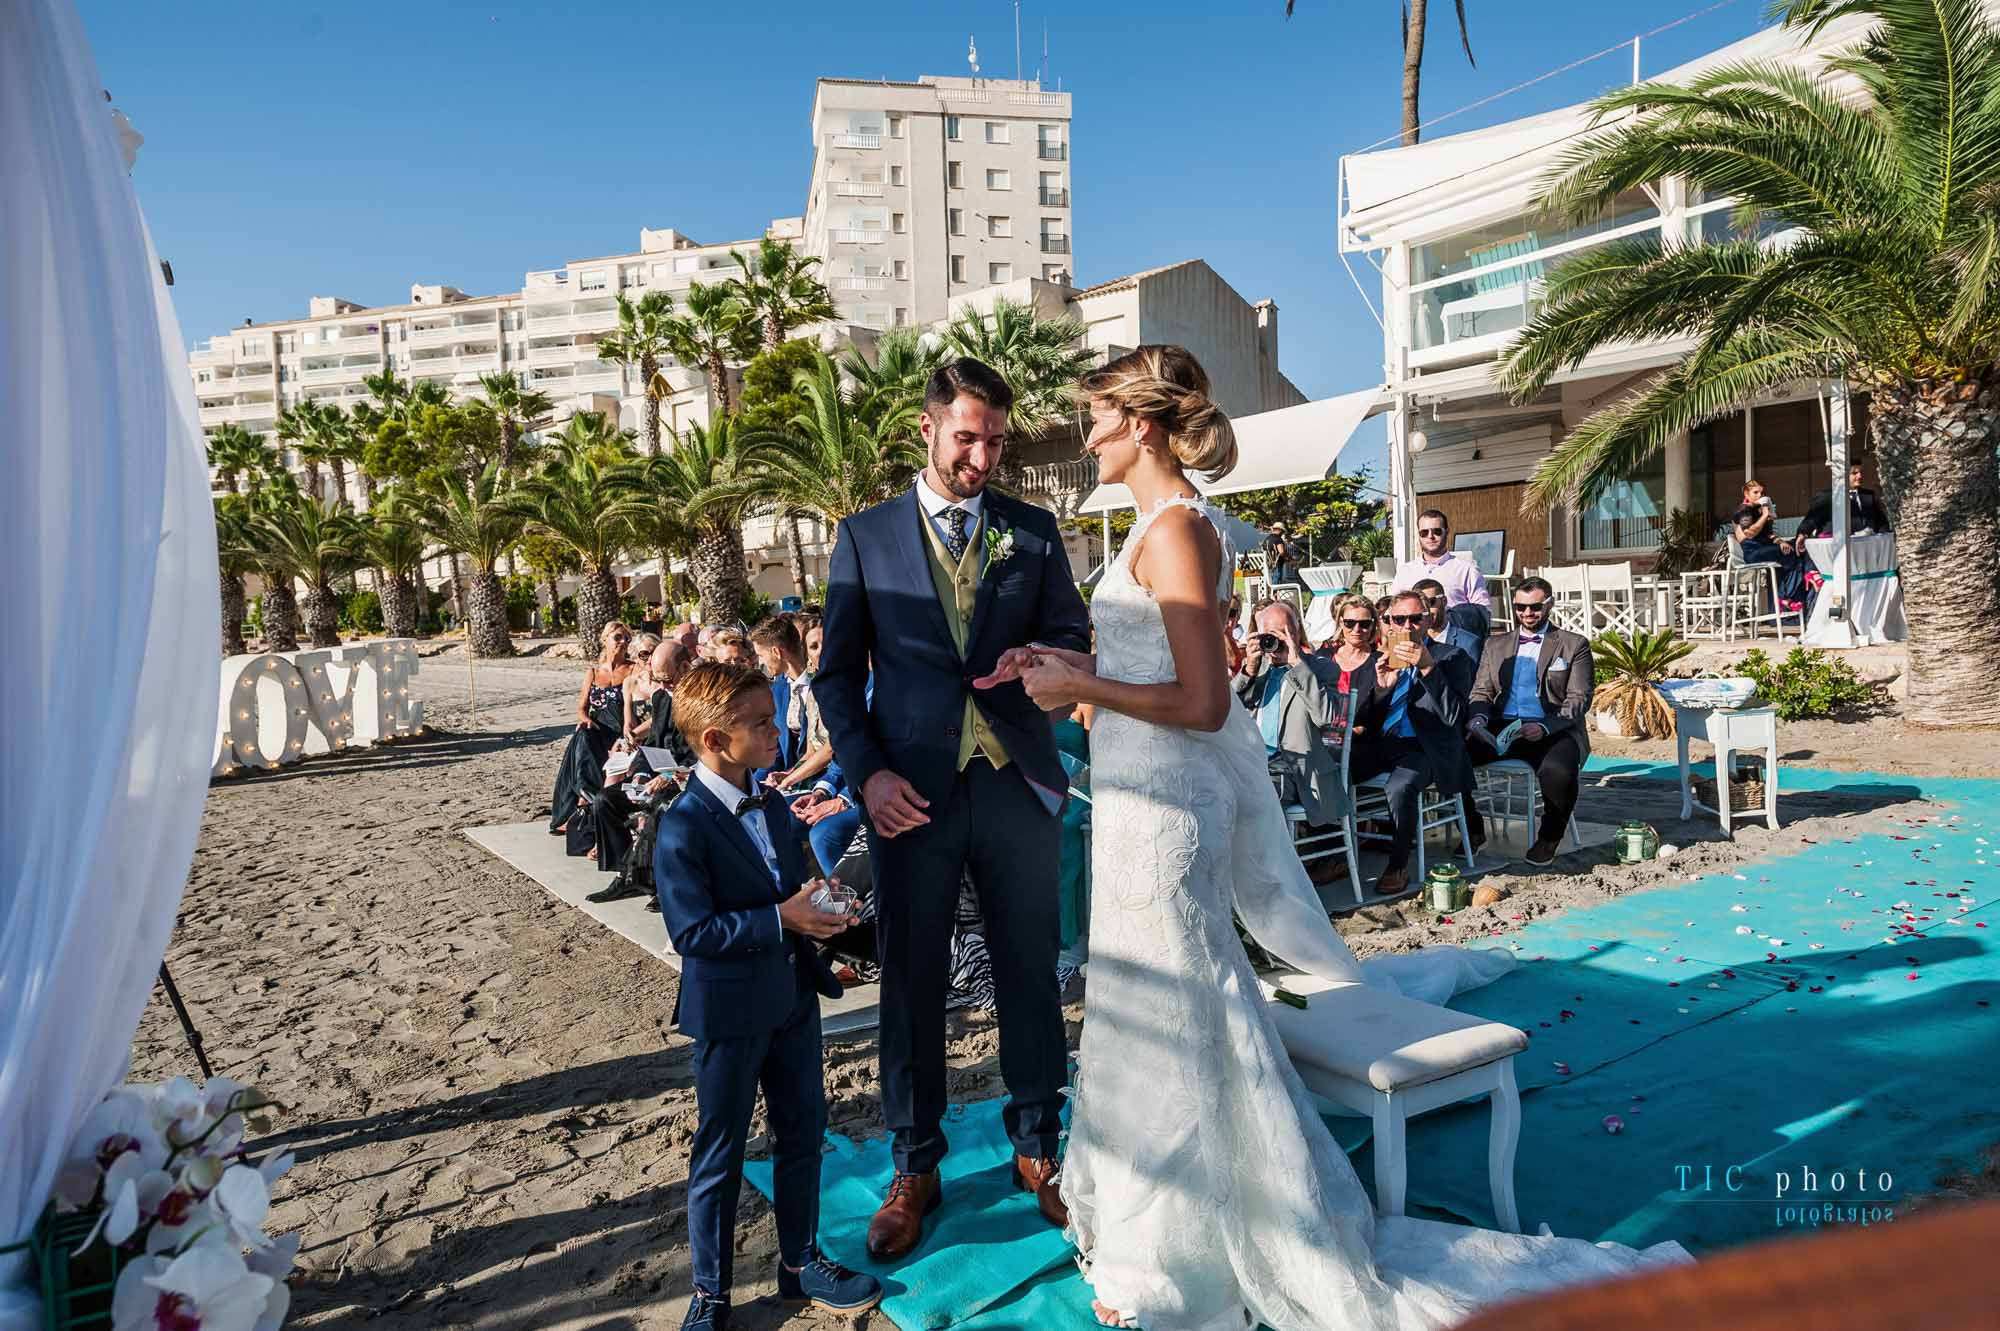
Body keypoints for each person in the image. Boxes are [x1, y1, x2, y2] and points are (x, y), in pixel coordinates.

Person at [995, 345, 1673, 1330]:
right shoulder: (1149, 525)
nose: (1083, 434)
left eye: (1094, 416)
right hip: (1138, 799)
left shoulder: (1178, 530)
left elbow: (1200, 695)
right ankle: (1152, 1236)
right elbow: (1160, 660)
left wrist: (1078, 687)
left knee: (1180, 1005)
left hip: (1169, 813)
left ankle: (1187, 1251)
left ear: (1139, 422)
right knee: (1147, 1001)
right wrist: (1071, 661)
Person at [816, 355, 1092, 1260]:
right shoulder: (865, 537)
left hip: (1016, 781)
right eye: (967, 437)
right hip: (911, 797)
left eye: (996, 441)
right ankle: (915, 1163)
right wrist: (867, 776)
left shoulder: (1034, 529)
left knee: (1029, 971)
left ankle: (1036, 1145)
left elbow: (1074, 635)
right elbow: (835, 678)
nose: (983, 457)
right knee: (912, 984)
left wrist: (1042, 658)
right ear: (926, 431)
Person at [650, 661, 881, 1330]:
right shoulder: (683, 825)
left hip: (791, 996)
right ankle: (712, 1293)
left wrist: (831, 905)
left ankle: (800, 1261)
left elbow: (793, 884)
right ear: (718, 738)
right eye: (760, 722)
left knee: (803, 1132)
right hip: (727, 1008)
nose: (777, 728)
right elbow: (692, 930)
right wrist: (785, 918)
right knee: (720, 1150)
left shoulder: (776, 802)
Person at [1463, 576, 1596, 867]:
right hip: (1503, 724)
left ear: (1549, 604)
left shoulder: (1574, 645)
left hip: (1551, 726)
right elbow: (1482, 690)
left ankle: (1549, 837)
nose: (1527, 614)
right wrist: (1478, 718)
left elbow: (1578, 699)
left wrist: (1546, 726)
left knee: (1558, 771)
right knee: (1451, 756)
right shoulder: (1495, 644)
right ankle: (1473, 830)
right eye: (1520, 607)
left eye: (1535, 607)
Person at [1347, 590, 1474, 896]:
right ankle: (1334, 852)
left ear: (1427, 620)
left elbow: (1454, 716)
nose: (1406, 626)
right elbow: (1364, 717)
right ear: (1388, 622)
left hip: (1425, 746)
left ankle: (1398, 864)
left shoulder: (1451, 657)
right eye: (1398, 619)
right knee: (1331, 768)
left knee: (1400, 787)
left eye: (1414, 618)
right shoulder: (1380, 658)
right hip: (1383, 743)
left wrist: (1429, 668)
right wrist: (1381, 688)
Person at [1231, 598, 1347, 881]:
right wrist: (1248, 668)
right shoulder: (1259, 669)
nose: (1277, 642)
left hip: (1296, 767)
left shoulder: (1320, 669)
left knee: (1258, 796)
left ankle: (1274, 879)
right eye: (1270, 635)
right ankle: (1240, 877)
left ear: (1296, 633)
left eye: (1284, 633)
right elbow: (1228, 708)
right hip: (1255, 759)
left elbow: (1327, 717)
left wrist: (1296, 664)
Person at [549, 621, 634, 844]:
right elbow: (581, 707)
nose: (623, 642)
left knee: (582, 742)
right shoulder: (594, 672)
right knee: (583, 735)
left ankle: (583, 804)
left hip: (620, 729)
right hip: (597, 728)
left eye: (627, 638)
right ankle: (584, 802)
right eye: (618, 637)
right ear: (604, 640)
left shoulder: (633, 669)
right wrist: (585, 719)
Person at [1391, 509, 1491, 639]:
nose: (1430, 536)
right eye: (1424, 532)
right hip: (1413, 640)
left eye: (1437, 531)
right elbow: (1393, 607)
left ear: (1447, 532)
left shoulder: (1466, 569)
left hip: (1453, 640)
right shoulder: (1406, 571)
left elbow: (1482, 611)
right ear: (1419, 535)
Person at [749, 616, 810, 773]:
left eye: (761, 655)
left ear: (776, 652)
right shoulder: (778, 690)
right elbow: (778, 753)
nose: (760, 663)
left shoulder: (822, 686)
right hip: (789, 781)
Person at [1732, 504, 1807, 606]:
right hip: (1754, 552)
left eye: (1762, 493)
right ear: (1747, 494)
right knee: (1791, 553)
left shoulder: (1758, 512)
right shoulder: (1744, 511)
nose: (1760, 496)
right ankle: (1785, 596)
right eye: (1756, 492)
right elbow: (1749, 533)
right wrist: (1765, 515)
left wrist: (1781, 542)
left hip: (1767, 550)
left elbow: (1770, 535)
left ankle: (1787, 596)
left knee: (1796, 546)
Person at [1800, 462, 1890, 537]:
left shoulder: (1869, 495)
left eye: (1861, 472)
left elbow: (1881, 522)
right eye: (1854, 473)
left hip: (1867, 550)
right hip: (1839, 550)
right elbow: (1811, 520)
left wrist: (1882, 537)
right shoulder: (1827, 496)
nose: (1860, 476)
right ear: (1842, 476)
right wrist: (1802, 534)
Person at [1414, 575, 1482, 665]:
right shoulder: (1410, 641)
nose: (1426, 610)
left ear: (1444, 601)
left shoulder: (1469, 642)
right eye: (1419, 605)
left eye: (1430, 602)